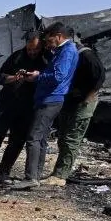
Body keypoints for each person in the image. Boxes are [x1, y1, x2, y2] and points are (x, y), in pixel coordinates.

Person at [0, 31, 46, 183]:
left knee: (17, 141)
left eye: (35, 49)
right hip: (6, 105)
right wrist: (14, 78)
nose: (32, 52)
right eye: (30, 49)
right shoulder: (16, 57)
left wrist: (36, 78)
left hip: (28, 108)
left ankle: (4, 172)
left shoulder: (45, 60)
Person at [21, 23, 78, 184]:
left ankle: (31, 177)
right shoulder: (63, 51)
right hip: (51, 99)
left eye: (49, 40)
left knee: (33, 137)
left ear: (59, 36)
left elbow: (58, 76)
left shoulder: (67, 51)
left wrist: (38, 76)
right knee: (42, 139)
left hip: (50, 99)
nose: (47, 44)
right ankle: (36, 175)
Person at [48, 38, 104, 184]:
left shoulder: (86, 56)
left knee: (71, 140)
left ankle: (60, 176)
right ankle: (58, 172)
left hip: (82, 105)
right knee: (63, 138)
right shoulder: (66, 55)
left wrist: (87, 99)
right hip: (69, 102)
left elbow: (99, 78)